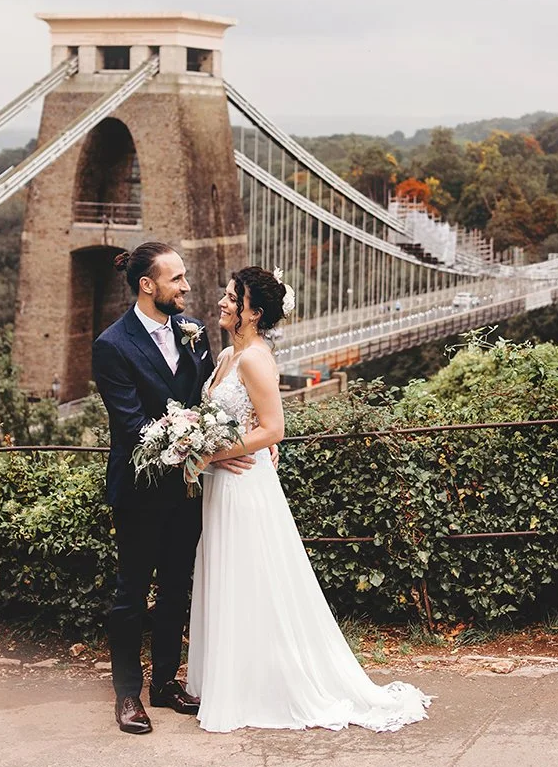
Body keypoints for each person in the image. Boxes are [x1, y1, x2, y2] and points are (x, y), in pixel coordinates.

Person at [187, 266, 431, 732]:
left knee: (251, 580)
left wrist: (215, 453)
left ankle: (257, 689)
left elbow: (274, 428)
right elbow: (235, 421)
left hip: (245, 488)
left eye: (230, 297)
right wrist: (204, 451)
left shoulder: (256, 359)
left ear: (252, 313)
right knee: (229, 578)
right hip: (223, 484)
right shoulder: (226, 358)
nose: (221, 301)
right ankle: (234, 679)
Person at [90, 242, 255, 735]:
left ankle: (164, 683)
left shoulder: (194, 334)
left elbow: (208, 405)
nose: (187, 286)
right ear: (148, 285)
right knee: (131, 593)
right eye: (177, 278)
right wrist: (192, 442)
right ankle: (127, 696)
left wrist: (245, 438)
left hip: (189, 487)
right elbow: (132, 423)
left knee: (177, 588)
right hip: (140, 491)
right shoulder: (112, 345)